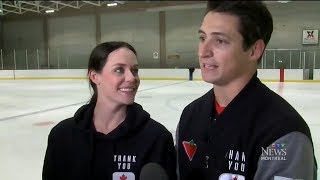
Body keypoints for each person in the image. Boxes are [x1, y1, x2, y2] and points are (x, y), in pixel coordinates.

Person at [176, 1, 317, 180]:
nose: (204, 51)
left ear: (254, 50)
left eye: (220, 41)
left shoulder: (283, 133)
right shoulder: (190, 116)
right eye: (203, 38)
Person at [42, 41, 176, 180]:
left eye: (134, 70)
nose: (132, 78)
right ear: (95, 77)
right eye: (119, 70)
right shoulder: (62, 136)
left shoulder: (157, 138)